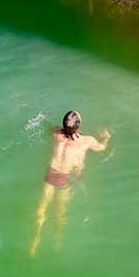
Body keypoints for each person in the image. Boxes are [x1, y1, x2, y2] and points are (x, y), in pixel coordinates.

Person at [29, 110, 110, 257]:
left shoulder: (56, 134)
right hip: (63, 178)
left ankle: (34, 241)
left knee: (41, 210)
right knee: (61, 212)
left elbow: (51, 127)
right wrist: (106, 138)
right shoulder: (87, 141)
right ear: (78, 127)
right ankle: (57, 241)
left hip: (50, 174)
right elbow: (101, 148)